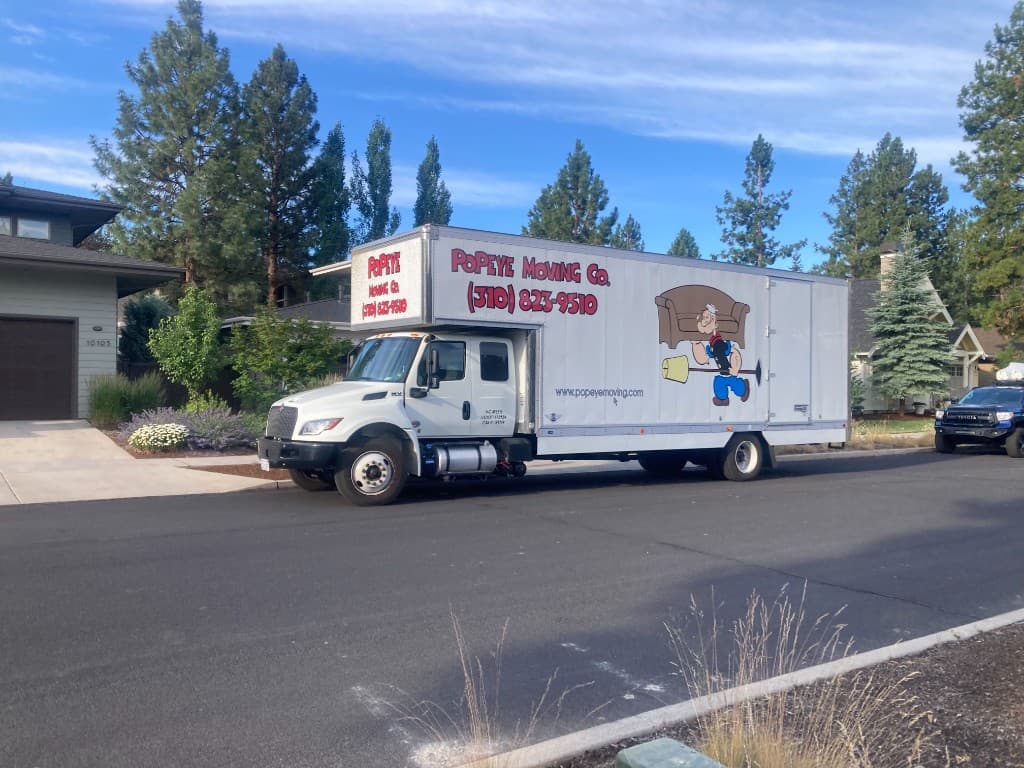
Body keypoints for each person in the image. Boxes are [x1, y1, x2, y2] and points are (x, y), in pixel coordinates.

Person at [692, 303, 749, 406]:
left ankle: (743, 388)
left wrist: (735, 368)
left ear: (715, 323)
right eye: (703, 319)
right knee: (719, 383)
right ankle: (722, 398)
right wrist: (696, 345)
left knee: (735, 385)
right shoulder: (711, 343)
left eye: (707, 318)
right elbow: (705, 358)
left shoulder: (721, 342)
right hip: (721, 372)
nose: (704, 322)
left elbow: (734, 353)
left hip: (729, 370)